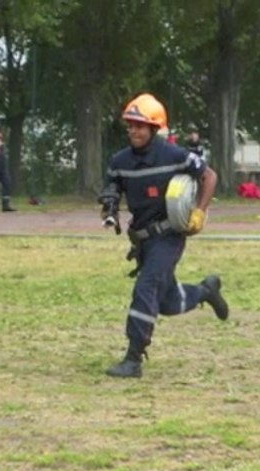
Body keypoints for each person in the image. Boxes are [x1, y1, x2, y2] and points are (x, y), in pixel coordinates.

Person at [96, 92, 226, 379]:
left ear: (154, 128)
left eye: (139, 126)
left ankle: (133, 358)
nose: (133, 131)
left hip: (169, 237)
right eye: (129, 125)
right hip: (141, 240)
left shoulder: (176, 155)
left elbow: (210, 176)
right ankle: (206, 291)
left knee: (145, 288)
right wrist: (110, 208)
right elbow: (112, 187)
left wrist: (200, 212)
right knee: (165, 301)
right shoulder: (120, 160)